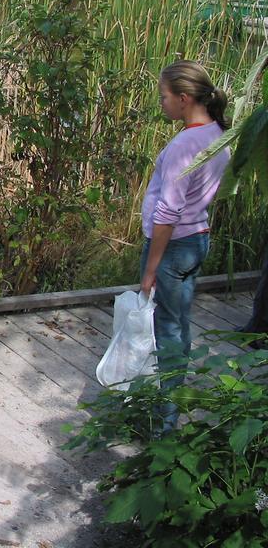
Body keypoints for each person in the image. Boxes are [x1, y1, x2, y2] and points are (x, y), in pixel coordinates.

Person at [139, 60, 230, 428]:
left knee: (168, 332)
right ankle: (170, 405)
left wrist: (150, 268)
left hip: (174, 247)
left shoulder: (184, 145)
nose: (161, 104)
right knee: (180, 323)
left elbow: (168, 211)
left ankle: (166, 422)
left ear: (183, 97)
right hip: (198, 238)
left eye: (164, 97)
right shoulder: (217, 134)